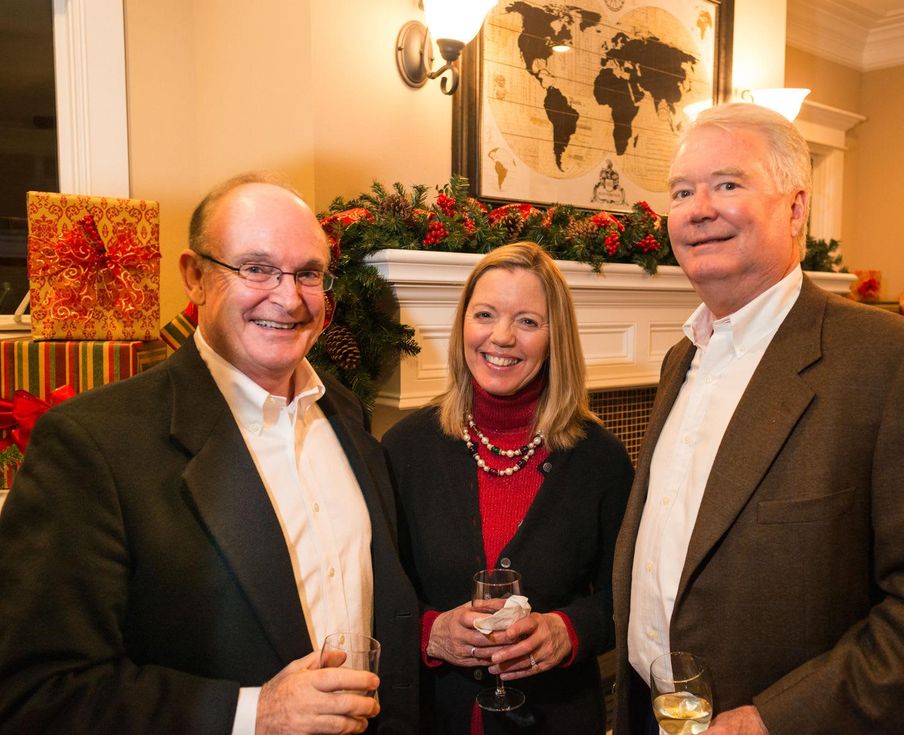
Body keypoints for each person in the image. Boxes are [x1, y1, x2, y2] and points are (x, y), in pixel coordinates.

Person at [0, 173, 419, 734]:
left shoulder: (343, 410)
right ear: (195, 277)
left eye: (309, 274)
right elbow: (38, 693)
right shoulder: (90, 444)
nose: (289, 297)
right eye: (256, 268)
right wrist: (252, 713)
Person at [611, 103, 904, 735]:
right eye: (681, 191)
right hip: (652, 714)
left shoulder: (898, 364)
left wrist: (775, 721)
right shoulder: (681, 359)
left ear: (796, 208)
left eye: (728, 183)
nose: (699, 208)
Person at [382, 242, 633, 734]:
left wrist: (570, 630)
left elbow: (625, 595)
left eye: (528, 322)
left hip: (560, 718)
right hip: (433, 717)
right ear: (463, 327)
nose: (501, 337)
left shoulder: (600, 458)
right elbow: (374, 591)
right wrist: (429, 633)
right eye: (485, 314)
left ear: (554, 337)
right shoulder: (403, 449)